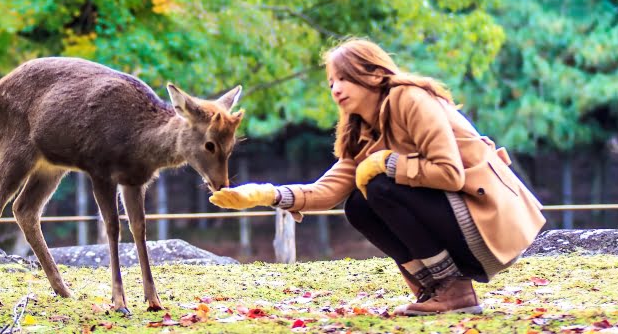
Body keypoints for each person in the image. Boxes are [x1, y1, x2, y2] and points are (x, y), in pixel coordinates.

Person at [209, 38, 546, 315]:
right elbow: (326, 191)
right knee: (357, 205)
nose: (335, 89)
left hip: (489, 222)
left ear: (371, 73)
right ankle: (435, 288)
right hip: (461, 226)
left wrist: (389, 162)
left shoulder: (410, 98)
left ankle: (455, 291)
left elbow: (450, 174)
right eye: (331, 83)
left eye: (344, 78)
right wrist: (263, 194)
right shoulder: (361, 131)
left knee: (380, 186)